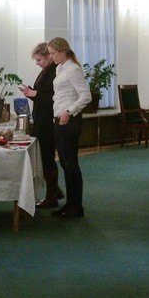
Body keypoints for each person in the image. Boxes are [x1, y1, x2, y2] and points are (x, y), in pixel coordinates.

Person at [46, 37, 92, 218]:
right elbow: (61, 95)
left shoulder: (73, 69)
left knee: (71, 164)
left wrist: (69, 111)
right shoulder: (60, 68)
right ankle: (70, 203)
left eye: (52, 53)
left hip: (69, 120)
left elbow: (86, 96)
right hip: (59, 119)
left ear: (62, 51)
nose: (50, 57)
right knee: (65, 163)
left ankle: (77, 206)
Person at [20, 42, 64, 209]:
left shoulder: (55, 72)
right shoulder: (46, 71)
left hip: (48, 121)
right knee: (44, 157)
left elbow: (54, 98)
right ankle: (55, 189)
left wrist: (34, 93)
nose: (37, 63)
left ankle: (51, 196)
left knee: (47, 157)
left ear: (48, 57)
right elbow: (42, 94)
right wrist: (31, 92)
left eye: (39, 59)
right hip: (41, 118)